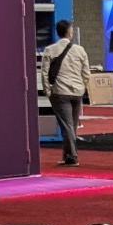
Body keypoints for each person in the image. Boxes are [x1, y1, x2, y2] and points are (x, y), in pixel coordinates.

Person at [42, 18, 90, 165]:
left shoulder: (50, 50)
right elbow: (86, 74)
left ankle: (73, 157)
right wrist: (82, 87)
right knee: (72, 126)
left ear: (58, 32)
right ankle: (68, 155)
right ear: (70, 32)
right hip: (77, 92)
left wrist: (47, 91)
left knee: (67, 125)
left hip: (60, 92)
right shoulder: (80, 50)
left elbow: (44, 74)